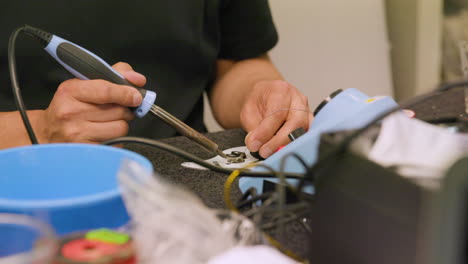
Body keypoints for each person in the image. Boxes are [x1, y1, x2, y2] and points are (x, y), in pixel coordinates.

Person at [0, 0, 311, 158]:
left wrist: (257, 93)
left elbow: (236, 62)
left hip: (179, 180)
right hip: (23, 190)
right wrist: (42, 130)